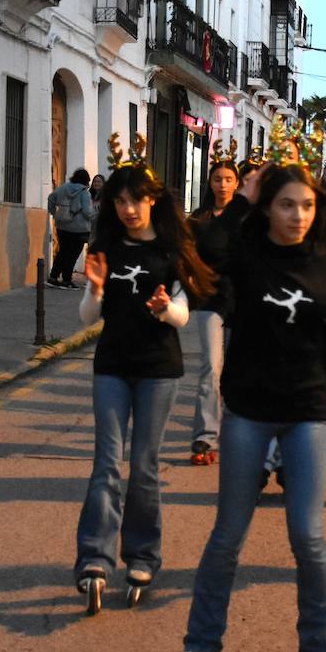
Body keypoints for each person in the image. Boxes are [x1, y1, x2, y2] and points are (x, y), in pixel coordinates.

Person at [184, 145, 326, 652]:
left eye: (306, 206)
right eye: (286, 204)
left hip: (307, 413)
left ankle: (320, 644)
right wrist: (243, 196)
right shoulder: (246, 256)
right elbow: (210, 249)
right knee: (228, 536)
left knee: (309, 540)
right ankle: (201, 644)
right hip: (248, 411)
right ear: (269, 207)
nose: (298, 215)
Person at [73, 144, 216, 613]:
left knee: (145, 469)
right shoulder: (106, 248)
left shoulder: (171, 250)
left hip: (158, 370)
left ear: (152, 199)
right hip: (112, 364)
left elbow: (182, 313)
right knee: (106, 465)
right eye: (120, 201)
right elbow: (87, 317)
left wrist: (164, 309)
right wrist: (95, 288)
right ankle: (94, 559)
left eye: (136, 200)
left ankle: (141, 556)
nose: (128, 209)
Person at [187, 143, 243, 466]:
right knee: (211, 367)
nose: (223, 184)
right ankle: (205, 437)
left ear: (236, 183)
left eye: (228, 179)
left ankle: (237, 435)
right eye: (218, 179)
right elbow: (187, 256)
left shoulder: (246, 218)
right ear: (210, 183)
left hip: (240, 300)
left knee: (236, 370)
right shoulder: (199, 218)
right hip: (210, 299)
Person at [48, 169, 96, 289]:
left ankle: (53, 277)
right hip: (79, 228)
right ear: (86, 180)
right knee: (73, 255)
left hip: (62, 225)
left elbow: (51, 198)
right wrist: (95, 214)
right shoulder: (85, 193)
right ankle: (66, 280)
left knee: (63, 251)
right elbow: (87, 212)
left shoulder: (63, 188)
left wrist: (54, 213)